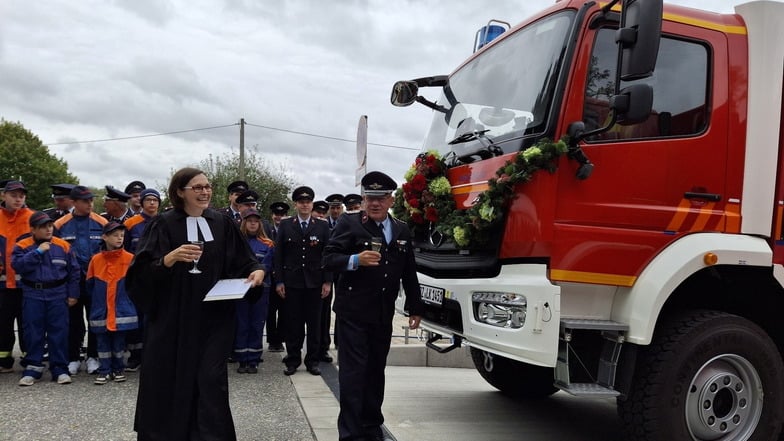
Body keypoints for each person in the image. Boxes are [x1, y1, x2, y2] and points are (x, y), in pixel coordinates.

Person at [126, 167, 265, 441]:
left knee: (210, 380)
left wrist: (257, 270)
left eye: (207, 186)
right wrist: (169, 259)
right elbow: (138, 274)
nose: (204, 192)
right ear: (180, 192)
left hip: (213, 319)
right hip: (172, 320)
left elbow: (244, 259)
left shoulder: (222, 223)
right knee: (169, 379)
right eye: (197, 187)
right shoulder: (163, 224)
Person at [322, 171, 425, 441]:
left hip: (382, 314)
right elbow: (328, 258)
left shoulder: (401, 228)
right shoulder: (349, 222)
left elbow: (409, 271)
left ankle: (371, 427)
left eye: (381, 198)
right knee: (353, 375)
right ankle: (350, 434)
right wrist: (355, 260)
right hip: (353, 312)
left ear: (391, 200)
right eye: (369, 198)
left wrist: (416, 307)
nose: (375, 203)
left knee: (375, 372)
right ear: (364, 199)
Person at [11, 211, 80, 386]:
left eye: (50, 226)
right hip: (33, 294)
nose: (48, 229)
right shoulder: (23, 245)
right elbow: (18, 266)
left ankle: (60, 369)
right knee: (33, 332)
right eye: (43, 227)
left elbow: (74, 272)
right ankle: (33, 368)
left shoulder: (63, 246)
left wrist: (73, 294)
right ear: (33, 229)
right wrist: (38, 252)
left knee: (59, 332)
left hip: (57, 294)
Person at [274, 186, 332, 376]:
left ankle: (313, 361)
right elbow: (279, 255)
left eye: (308, 202)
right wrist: (279, 281)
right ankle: (293, 360)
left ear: (312, 204)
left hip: (315, 283)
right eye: (301, 202)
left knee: (314, 324)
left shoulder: (322, 226)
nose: (305, 205)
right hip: (292, 282)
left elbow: (327, 254)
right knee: (293, 324)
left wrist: (328, 281)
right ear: (296, 204)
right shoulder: (286, 224)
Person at [54, 185, 109, 375]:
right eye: (85, 201)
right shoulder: (60, 224)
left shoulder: (102, 223)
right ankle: (73, 357)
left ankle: (93, 356)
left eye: (91, 200)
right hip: (71, 281)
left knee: (95, 319)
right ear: (74, 202)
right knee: (73, 321)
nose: (90, 204)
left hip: (96, 279)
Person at [86, 221, 137, 385]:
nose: (119, 238)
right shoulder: (95, 260)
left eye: (122, 235)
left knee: (119, 341)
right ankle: (104, 370)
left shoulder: (130, 258)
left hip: (121, 309)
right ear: (104, 237)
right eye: (115, 235)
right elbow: (89, 285)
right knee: (102, 342)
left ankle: (118, 368)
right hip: (101, 309)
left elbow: (134, 284)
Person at [122, 187, 161, 372]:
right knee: (136, 318)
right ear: (142, 203)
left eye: (155, 200)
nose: (152, 203)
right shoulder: (131, 224)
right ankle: (136, 356)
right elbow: (125, 249)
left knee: (156, 317)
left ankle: (154, 355)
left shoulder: (165, 222)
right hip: (138, 277)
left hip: (159, 276)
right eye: (148, 200)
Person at [0, 181, 34, 373]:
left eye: (21, 195)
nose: (18, 199)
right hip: (3, 286)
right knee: (2, 323)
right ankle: (3, 360)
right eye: (13, 195)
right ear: (3, 196)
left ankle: (29, 359)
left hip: (27, 284)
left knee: (28, 323)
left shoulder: (34, 218)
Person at [234, 208, 273, 374]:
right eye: (249, 220)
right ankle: (242, 359)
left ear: (259, 224)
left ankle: (254, 359)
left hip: (260, 289)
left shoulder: (268, 243)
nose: (252, 223)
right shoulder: (237, 242)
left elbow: (269, 265)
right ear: (244, 222)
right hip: (241, 288)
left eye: (255, 221)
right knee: (241, 323)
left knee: (257, 324)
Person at [264, 201, 289, 352]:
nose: (278, 217)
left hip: (285, 275)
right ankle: (272, 340)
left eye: (282, 215)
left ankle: (280, 339)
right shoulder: (266, 230)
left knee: (284, 309)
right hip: (269, 275)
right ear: (272, 216)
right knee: (270, 310)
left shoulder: (289, 230)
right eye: (276, 214)